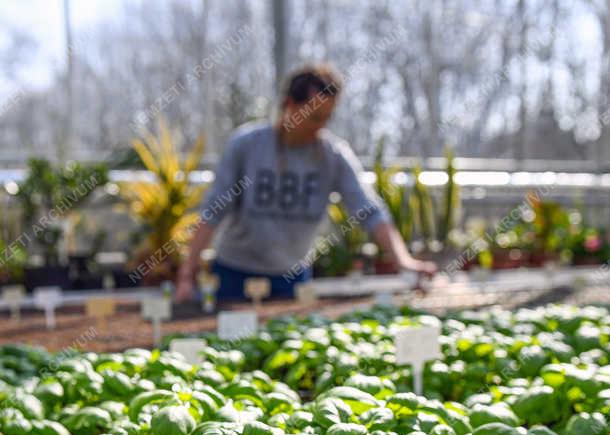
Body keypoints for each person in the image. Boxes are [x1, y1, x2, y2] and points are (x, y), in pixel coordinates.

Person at [174, 63, 436, 303]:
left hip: (292, 278)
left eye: (327, 118)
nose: (319, 126)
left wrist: (403, 260)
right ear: (289, 104)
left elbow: (369, 209)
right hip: (234, 274)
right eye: (314, 117)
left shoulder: (333, 156)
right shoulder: (246, 145)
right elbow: (213, 210)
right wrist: (187, 275)